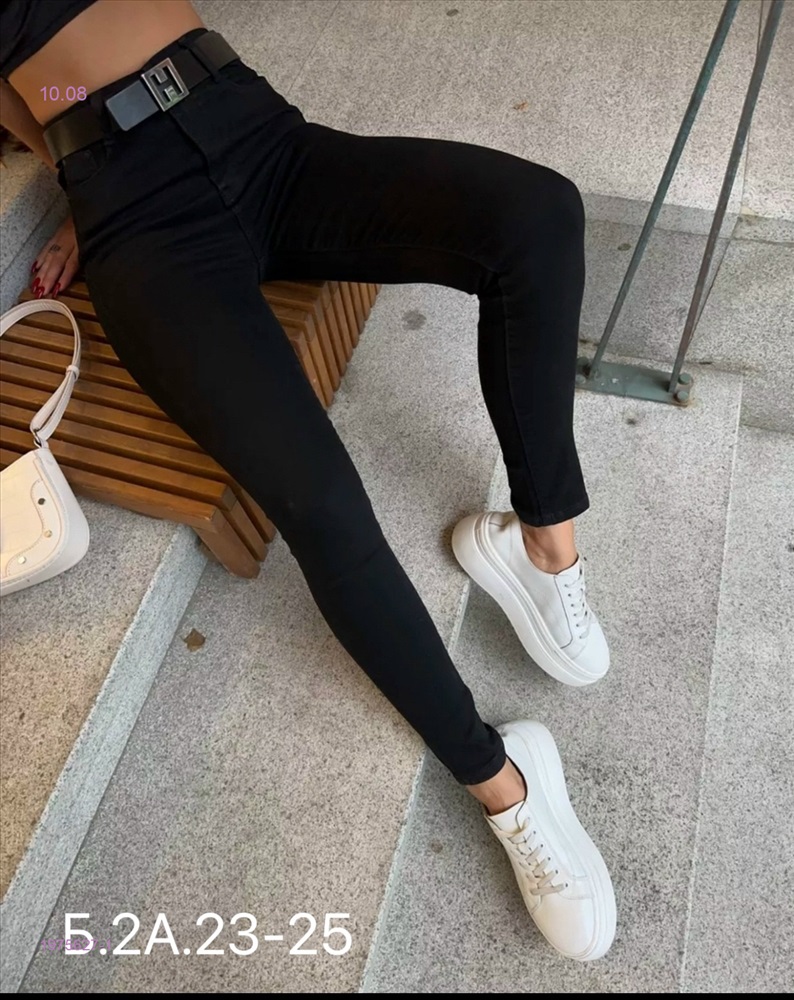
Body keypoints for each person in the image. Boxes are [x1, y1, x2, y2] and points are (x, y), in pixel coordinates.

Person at [0, 0, 616, 961]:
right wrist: (78, 166)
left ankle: (541, 544)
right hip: (138, 216)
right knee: (317, 499)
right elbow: (23, 90)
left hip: (256, 132)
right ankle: (508, 788)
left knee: (537, 212)